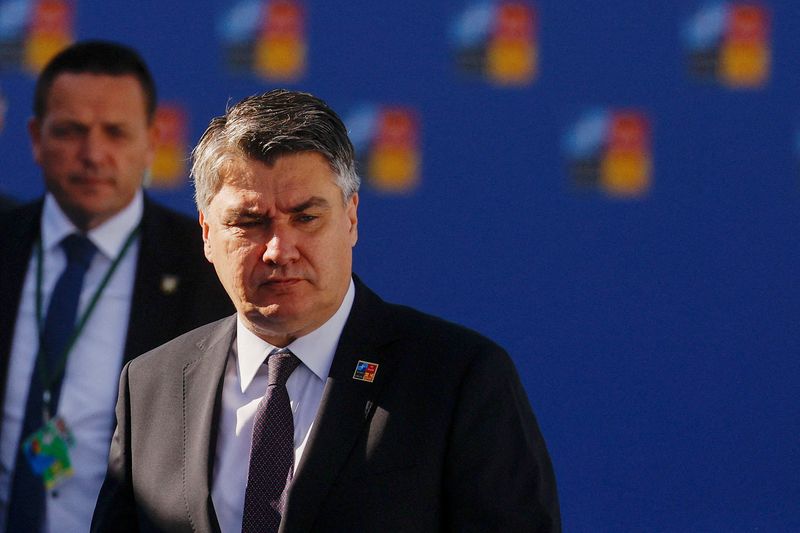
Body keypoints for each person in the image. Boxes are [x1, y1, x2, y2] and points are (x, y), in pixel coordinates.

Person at [91, 89, 560, 533]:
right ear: (208, 234)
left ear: (351, 218)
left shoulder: (457, 379)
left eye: (306, 218)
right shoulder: (151, 384)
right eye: (249, 222)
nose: (279, 249)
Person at [0, 41, 233, 533]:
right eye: (70, 132)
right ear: (35, 139)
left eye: (115, 133)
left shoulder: (209, 268)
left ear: (151, 142)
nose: (93, 154)